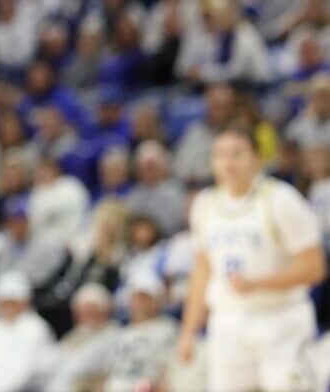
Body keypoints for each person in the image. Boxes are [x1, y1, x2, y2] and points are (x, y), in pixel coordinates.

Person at [177, 122, 325, 392]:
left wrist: (257, 283)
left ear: (257, 159)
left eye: (237, 153)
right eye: (220, 155)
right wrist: (187, 333)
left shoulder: (280, 199)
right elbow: (202, 271)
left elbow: (314, 268)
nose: (228, 162)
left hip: (281, 320)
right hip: (228, 323)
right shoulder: (204, 205)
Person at [0, 272, 57, 392]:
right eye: (4, 301)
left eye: (13, 301)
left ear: (25, 301)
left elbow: (27, 374)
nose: (8, 306)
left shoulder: (36, 329)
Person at [104, 271, 178, 392]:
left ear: (157, 301)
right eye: (135, 297)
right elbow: (108, 371)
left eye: (144, 298)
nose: (139, 302)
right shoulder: (121, 333)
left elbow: (170, 371)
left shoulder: (168, 328)